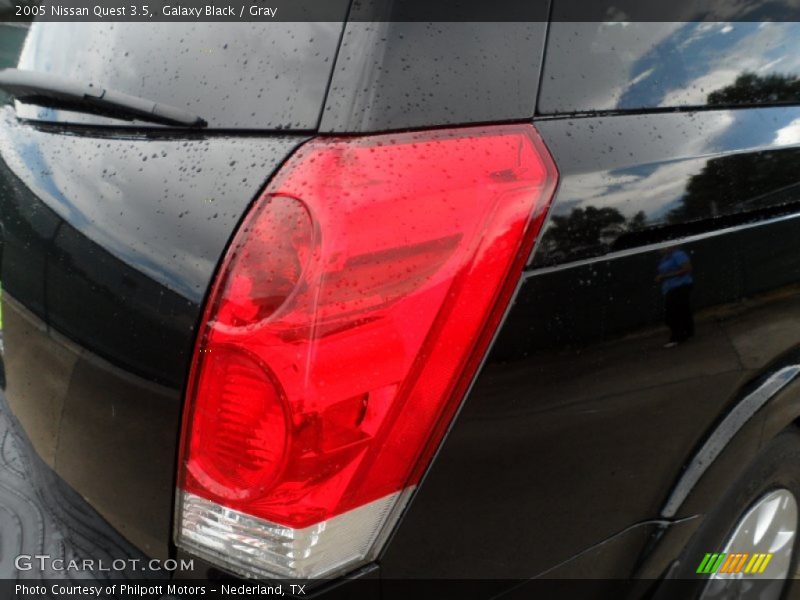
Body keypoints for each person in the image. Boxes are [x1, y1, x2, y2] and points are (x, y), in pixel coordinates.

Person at [655, 247, 694, 347]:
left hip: (680, 286)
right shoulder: (665, 258)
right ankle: (686, 333)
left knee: (673, 313)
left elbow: (687, 269)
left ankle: (677, 336)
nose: (660, 249)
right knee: (682, 311)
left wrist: (665, 276)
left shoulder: (678, 254)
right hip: (670, 288)